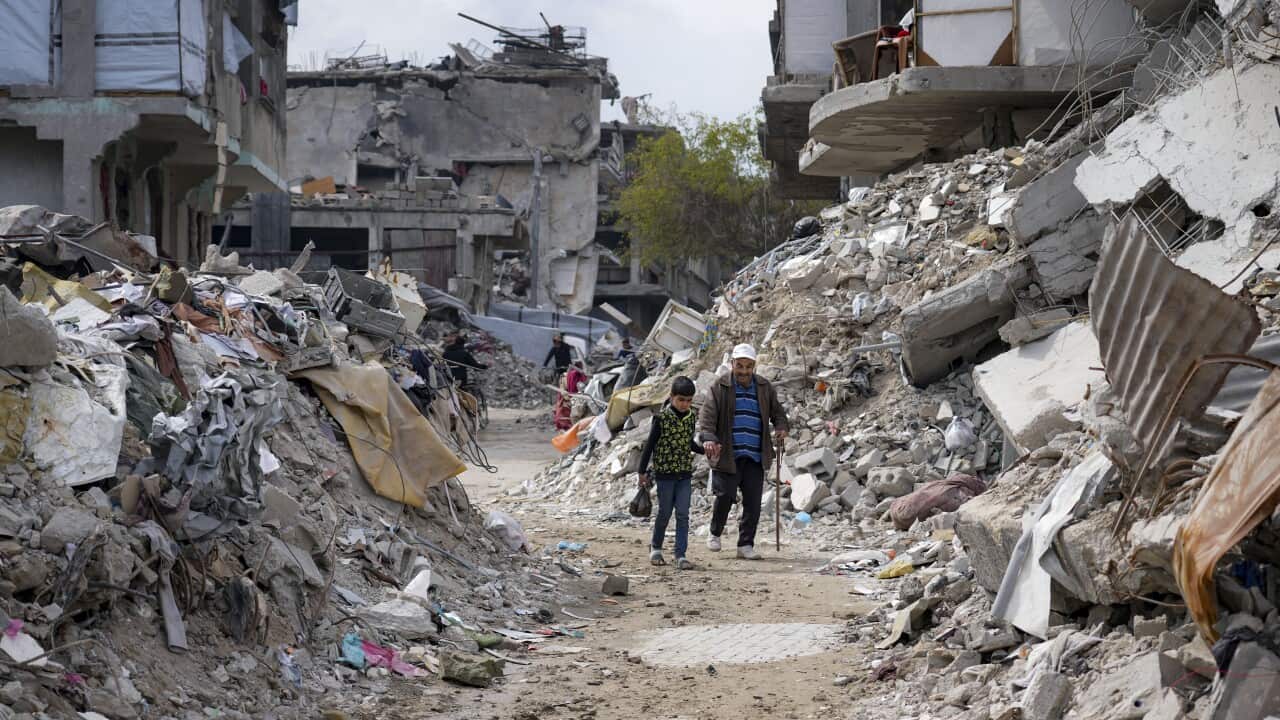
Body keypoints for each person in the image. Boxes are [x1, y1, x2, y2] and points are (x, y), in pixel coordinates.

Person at [696, 343, 789, 560]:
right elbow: (707, 417)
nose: (744, 371)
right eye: (740, 366)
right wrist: (709, 438)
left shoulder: (765, 387)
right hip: (728, 453)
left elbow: (778, 413)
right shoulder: (720, 387)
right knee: (725, 496)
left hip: (755, 453)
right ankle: (715, 532)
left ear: (754, 366)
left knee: (753, 502)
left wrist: (782, 428)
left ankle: (745, 544)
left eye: (748, 367)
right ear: (732, 365)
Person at [637, 376, 704, 570]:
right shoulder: (661, 419)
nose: (685, 404)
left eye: (689, 400)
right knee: (665, 513)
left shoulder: (691, 417)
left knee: (683, 514)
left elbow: (689, 443)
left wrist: (705, 451)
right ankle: (656, 548)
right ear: (672, 397)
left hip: (684, 473)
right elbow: (649, 446)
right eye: (681, 400)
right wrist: (642, 471)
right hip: (665, 474)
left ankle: (680, 554)